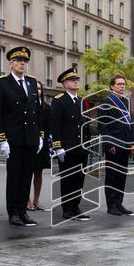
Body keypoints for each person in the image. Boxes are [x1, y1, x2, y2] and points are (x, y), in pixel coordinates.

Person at [0, 46, 43, 227]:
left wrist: (40, 136)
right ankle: (13, 212)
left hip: (30, 138)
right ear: (11, 63)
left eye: (25, 61)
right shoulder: (2, 83)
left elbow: (36, 112)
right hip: (13, 139)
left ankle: (23, 210)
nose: (23, 64)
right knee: (14, 177)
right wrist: (1, 139)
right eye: (19, 61)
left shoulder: (31, 82)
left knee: (26, 176)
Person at [50, 66, 92, 220]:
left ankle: (75, 207)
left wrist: (88, 143)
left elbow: (85, 123)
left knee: (79, 179)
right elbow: (55, 125)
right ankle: (67, 209)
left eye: (76, 79)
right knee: (68, 179)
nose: (76, 82)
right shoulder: (59, 101)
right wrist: (58, 146)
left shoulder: (82, 101)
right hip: (67, 148)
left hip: (81, 147)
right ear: (64, 83)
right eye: (72, 80)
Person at [98, 74, 134, 216]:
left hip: (125, 143)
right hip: (113, 145)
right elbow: (103, 126)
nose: (122, 87)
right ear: (112, 86)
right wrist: (109, 144)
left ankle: (119, 203)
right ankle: (111, 206)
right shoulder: (106, 102)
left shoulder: (126, 102)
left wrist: (133, 143)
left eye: (123, 84)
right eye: (119, 84)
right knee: (112, 176)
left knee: (122, 175)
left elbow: (130, 124)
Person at [28, 80, 51, 211]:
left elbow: (49, 126)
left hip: (42, 144)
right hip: (29, 142)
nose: (38, 91)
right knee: (27, 173)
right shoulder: (27, 105)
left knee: (38, 173)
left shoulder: (46, 107)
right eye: (35, 88)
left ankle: (36, 199)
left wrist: (42, 138)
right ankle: (27, 200)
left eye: (39, 89)